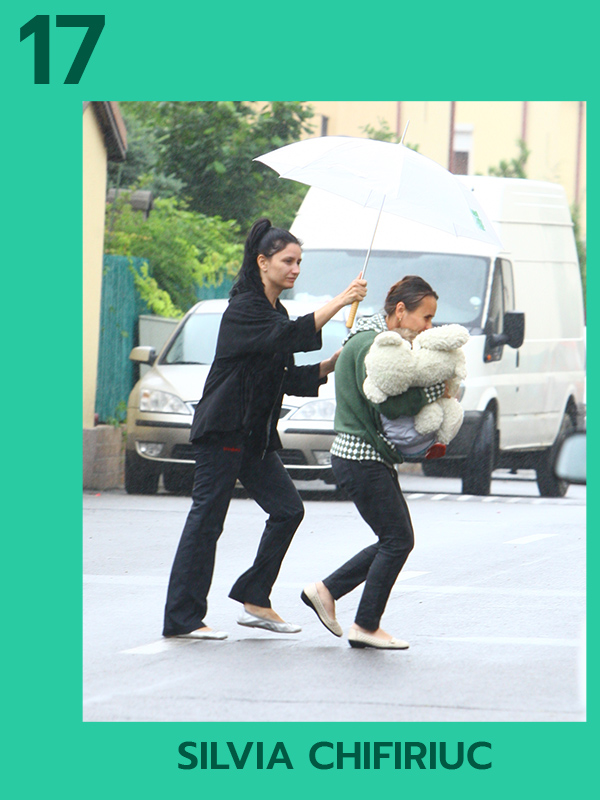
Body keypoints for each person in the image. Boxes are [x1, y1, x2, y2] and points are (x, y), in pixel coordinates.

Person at [162, 218, 367, 640]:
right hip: (224, 430)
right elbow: (290, 335)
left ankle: (255, 596)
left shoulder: (276, 312)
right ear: (262, 262)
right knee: (206, 522)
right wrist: (342, 299)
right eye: (288, 261)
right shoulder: (245, 308)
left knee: (288, 510)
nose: (295, 269)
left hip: (254, 437)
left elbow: (285, 375)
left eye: (299, 262)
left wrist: (330, 365)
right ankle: (182, 618)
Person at [301, 275, 447, 650]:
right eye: (425, 317)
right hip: (361, 457)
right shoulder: (376, 347)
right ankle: (365, 624)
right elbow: (392, 404)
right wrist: (438, 388)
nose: (428, 327)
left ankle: (327, 591)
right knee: (398, 540)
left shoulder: (365, 337)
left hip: (360, 456)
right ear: (400, 311)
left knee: (393, 539)